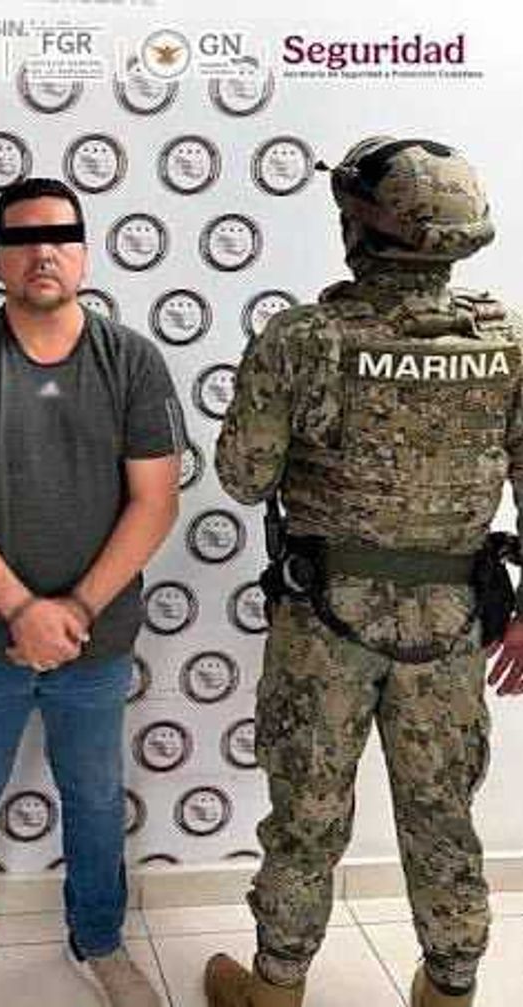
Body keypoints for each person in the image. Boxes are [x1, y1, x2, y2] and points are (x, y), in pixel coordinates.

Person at [210, 136, 523, 1007]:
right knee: (443, 812)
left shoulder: (304, 339)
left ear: (360, 227)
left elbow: (243, 476)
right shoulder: (506, 342)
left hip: (325, 624)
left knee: (307, 813)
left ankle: (276, 988)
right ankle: (450, 988)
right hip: (451, 625)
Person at [0, 177, 184, 1007]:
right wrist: (23, 610)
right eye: (24, 240)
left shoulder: (133, 361)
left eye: (60, 236)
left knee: (93, 796)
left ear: (85, 254)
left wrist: (77, 609)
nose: (43, 254)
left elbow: (156, 500)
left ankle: (100, 940)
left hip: (97, 638)